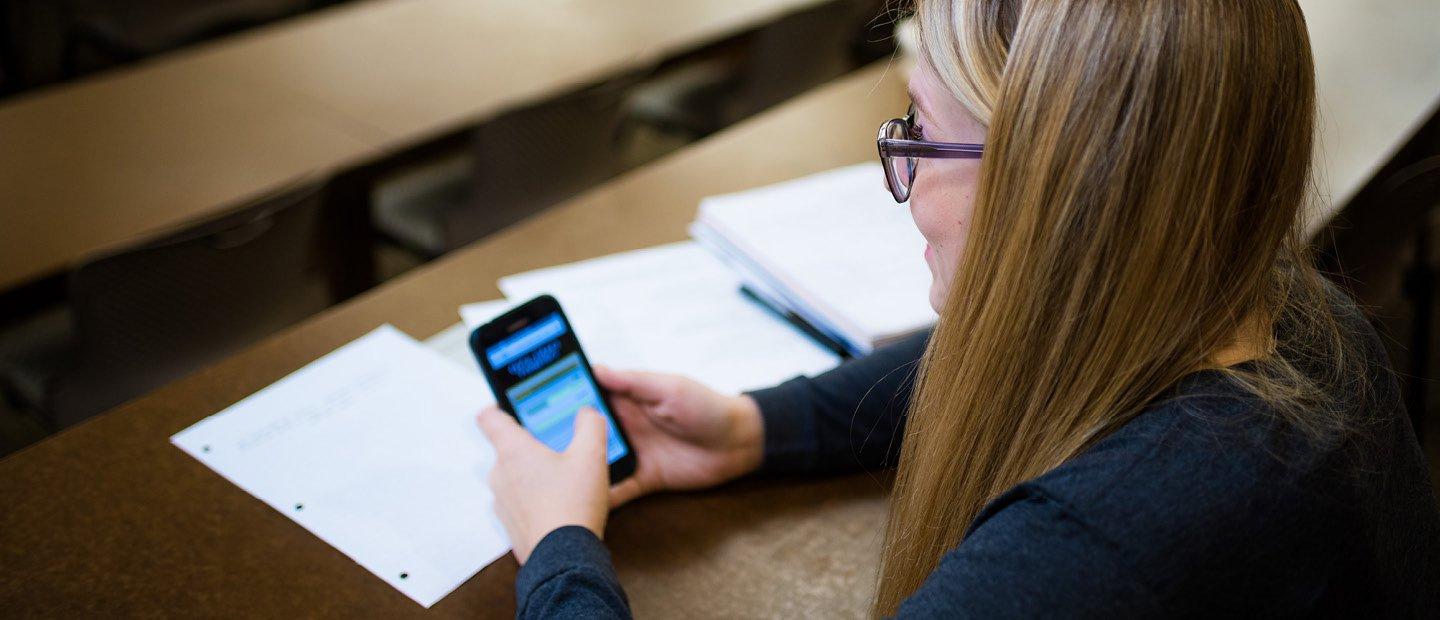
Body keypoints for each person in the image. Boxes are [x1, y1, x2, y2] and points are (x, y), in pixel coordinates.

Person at [476, 0, 1440, 616]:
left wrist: (559, 550)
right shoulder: (1292, 313)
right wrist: (754, 427)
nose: (898, 178)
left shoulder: (1095, 551)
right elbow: (1012, 347)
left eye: (919, 136)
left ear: (1051, 185)